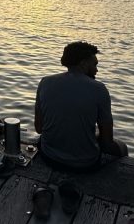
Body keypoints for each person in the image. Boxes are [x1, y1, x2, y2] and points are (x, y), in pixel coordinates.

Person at [34, 41, 128, 171]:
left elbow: (39, 128)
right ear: (83, 64)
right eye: (94, 65)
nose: (96, 70)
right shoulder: (99, 89)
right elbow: (107, 142)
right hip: (84, 164)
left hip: (49, 157)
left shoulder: (45, 82)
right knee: (122, 147)